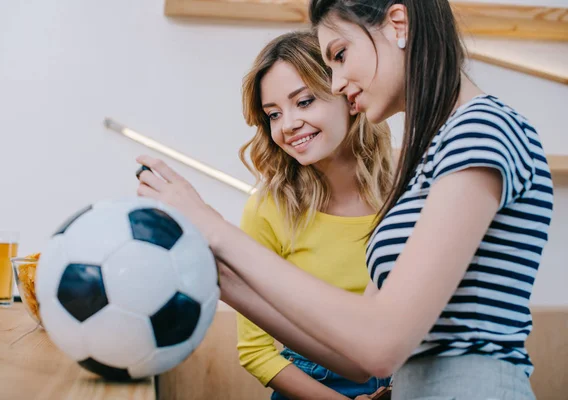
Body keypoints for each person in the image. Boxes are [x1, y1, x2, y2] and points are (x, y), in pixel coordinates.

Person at [135, 1, 553, 398]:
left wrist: (216, 229)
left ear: (398, 25)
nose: (335, 82)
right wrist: (221, 277)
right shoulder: (431, 156)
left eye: (339, 54)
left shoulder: (481, 129)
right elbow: (356, 358)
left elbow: (380, 343)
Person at [237, 31, 392, 399]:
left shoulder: (406, 192)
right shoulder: (267, 209)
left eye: (304, 102)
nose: (287, 124)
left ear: (349, 96)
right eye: (273, 114)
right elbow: (254, 351)